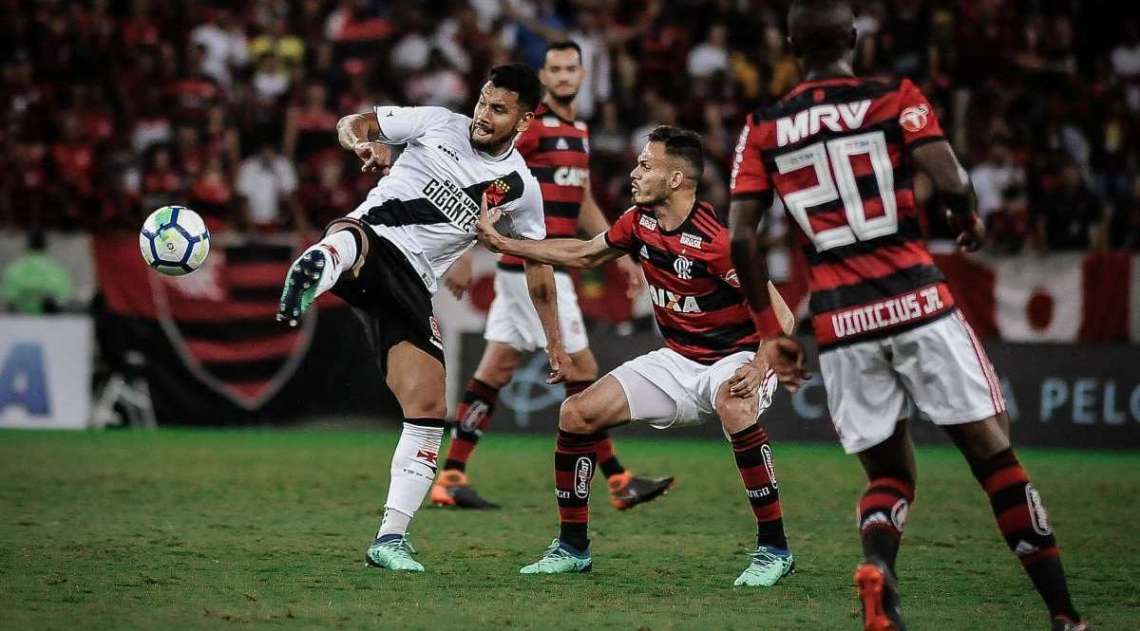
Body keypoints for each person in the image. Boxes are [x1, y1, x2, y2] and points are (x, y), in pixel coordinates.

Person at [726, 2, 1087, 629]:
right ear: (854, 38)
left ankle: (880, 572)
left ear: (790, 44)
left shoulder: (764, 125)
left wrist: (771, 333)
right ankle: (1064, 616)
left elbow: (742, 237)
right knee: (994, 457)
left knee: (890, 474)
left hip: (840, 323)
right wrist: (965, 218)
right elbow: (951, 178)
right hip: (918, 301)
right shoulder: (893, 95)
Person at [476, 125, 807, 587]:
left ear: (676, 179)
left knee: (734, 402)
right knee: (576, 413)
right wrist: (508, 244)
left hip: (736, 357)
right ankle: (572, 548)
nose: (635, 172)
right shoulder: (639, 222)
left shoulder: (718, 242)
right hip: (678, 359)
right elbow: (585, 254)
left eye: (646, 165)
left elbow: (783, 315)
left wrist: (758, 366)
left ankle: (774, 549)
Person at [276, 64, 567, 573]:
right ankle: (323, 260)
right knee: (358, 236)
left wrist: (555, 341)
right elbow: (354, 122)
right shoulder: (437, 122)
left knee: (429, 409)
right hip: (376, 243)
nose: (482, 115)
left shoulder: (520, 187)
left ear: (524, 120)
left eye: (498, 110)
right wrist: (361, 144)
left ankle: (390, 538)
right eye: (482, 101)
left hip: (412, 287)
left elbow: (537, 266)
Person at [432, 41, 673, 511]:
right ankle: (619, 479)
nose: (564, 76)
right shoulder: (533, 126)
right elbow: (481, 173)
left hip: (538, 266)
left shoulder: (578, 130)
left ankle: (451, 475)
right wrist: (462, 248)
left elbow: (580, 201)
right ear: (544, 76)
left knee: (495, 369)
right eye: (555, 69)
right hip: (535, 265)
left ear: (583, 75)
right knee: (582, 372)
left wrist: (621, 254)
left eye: (572, 69)